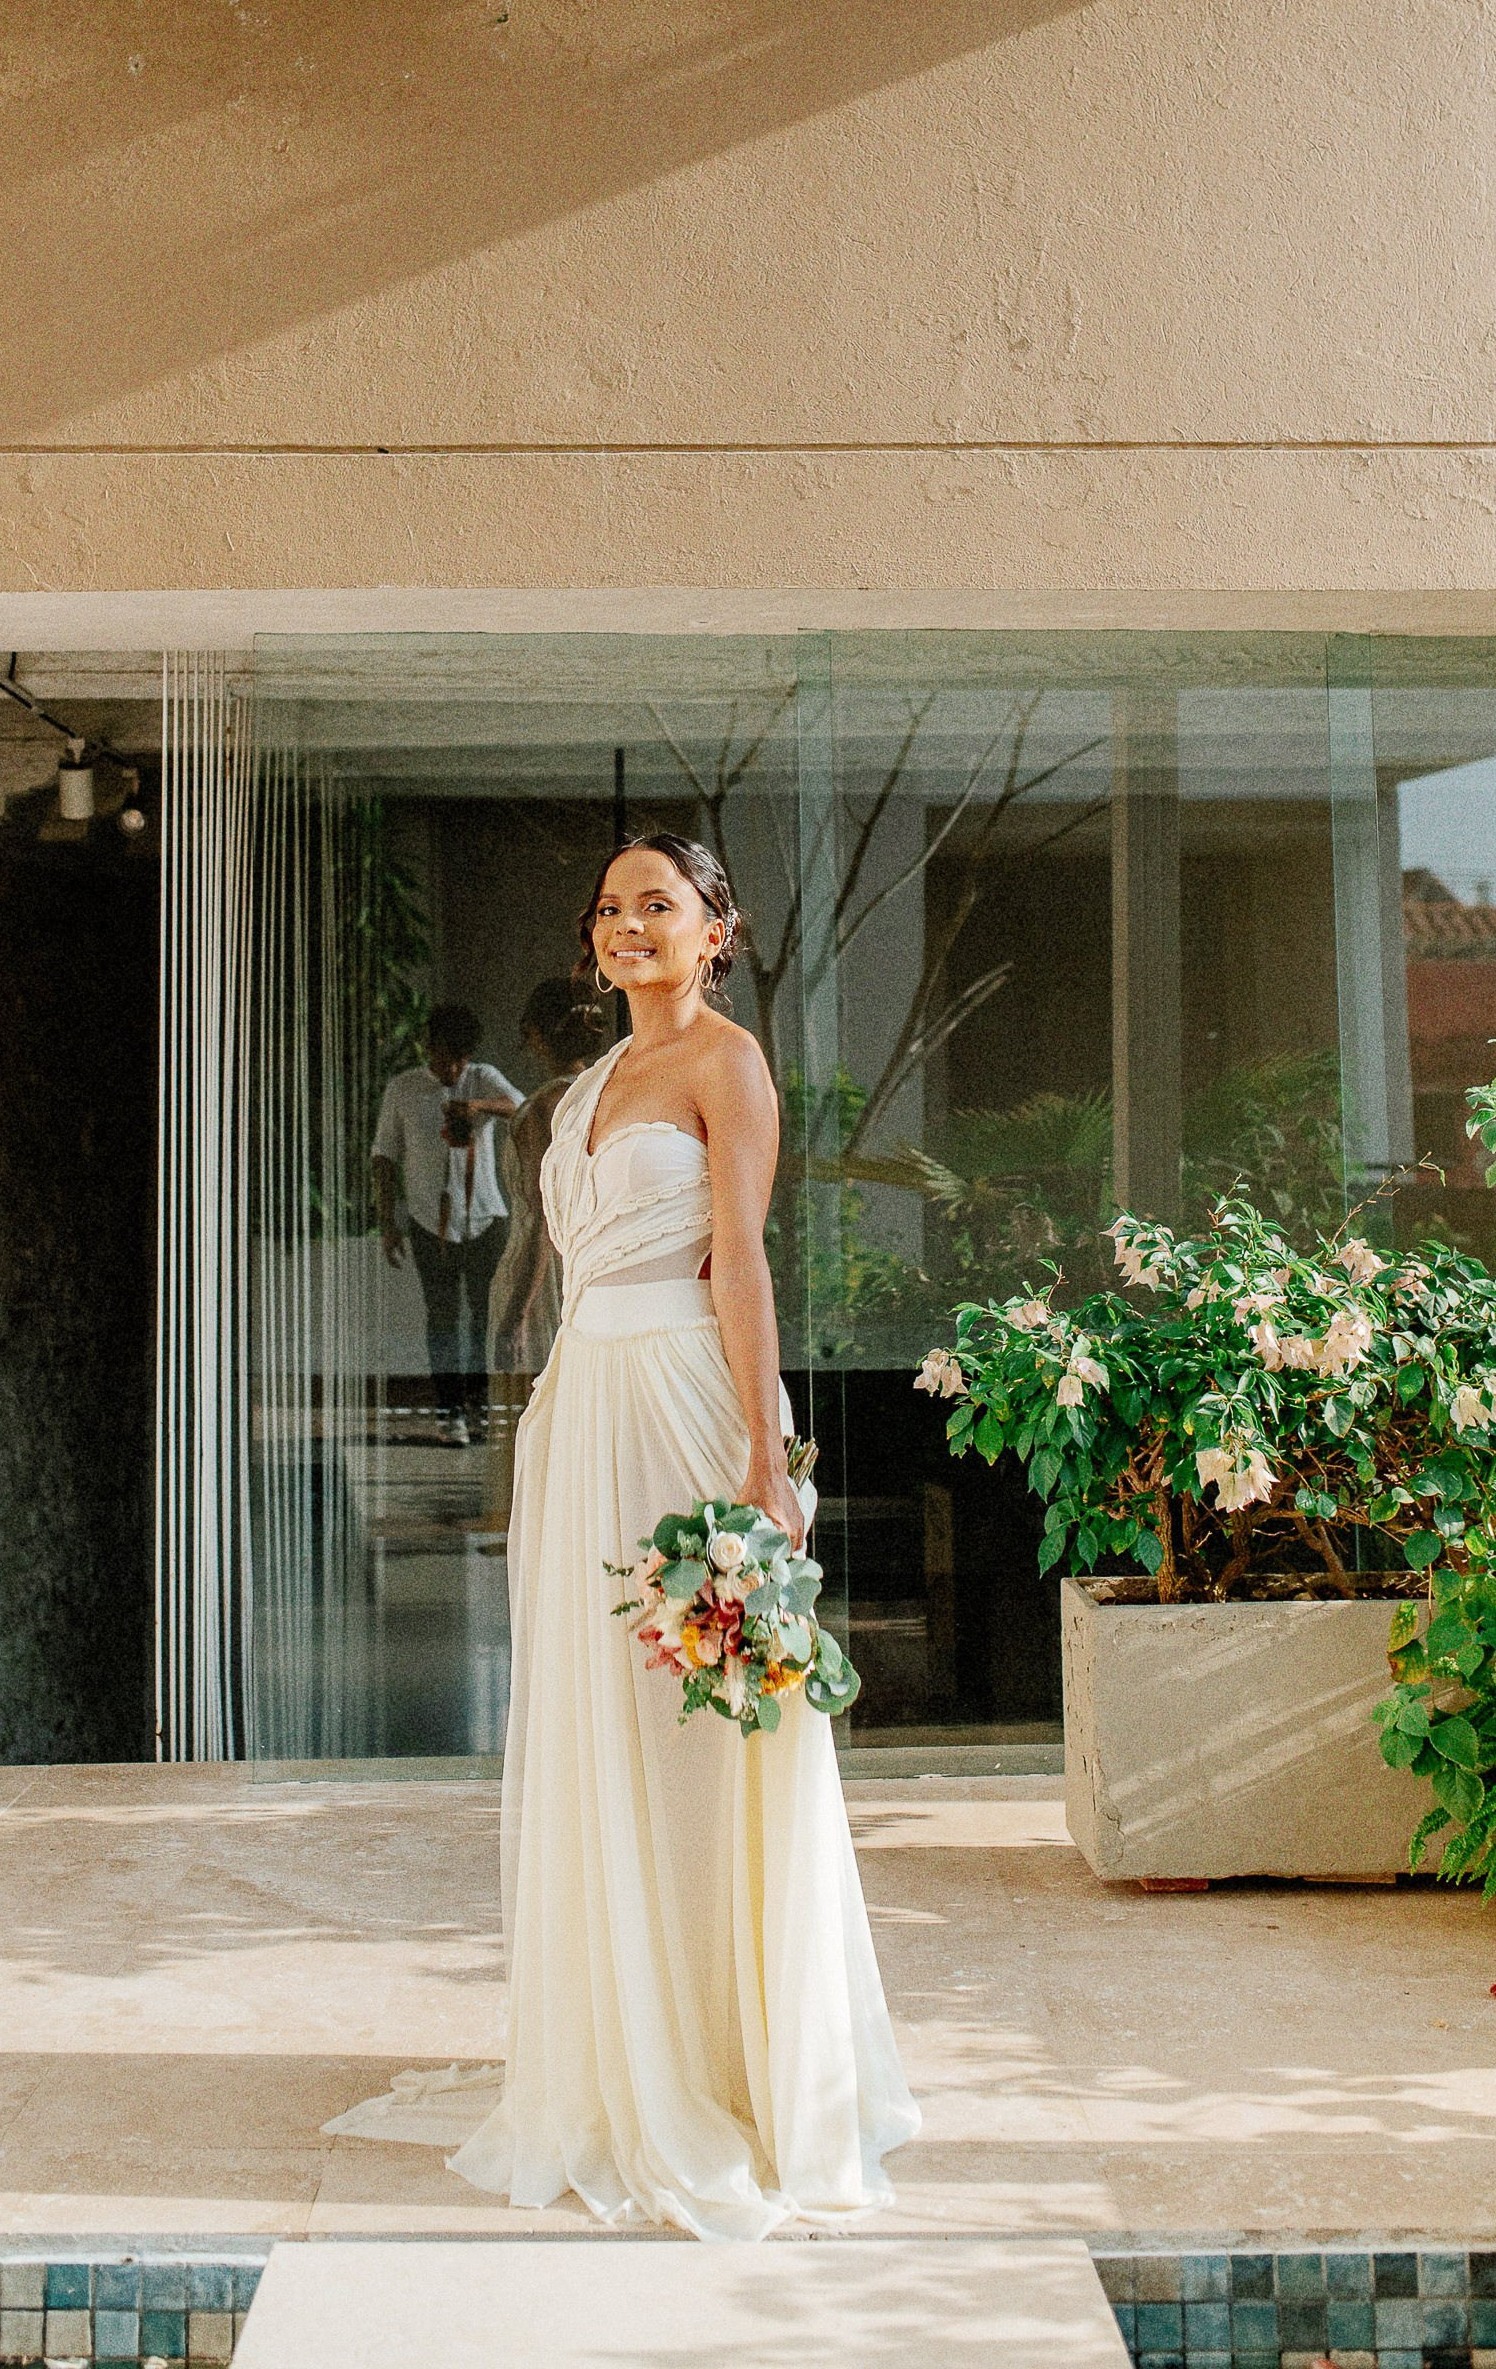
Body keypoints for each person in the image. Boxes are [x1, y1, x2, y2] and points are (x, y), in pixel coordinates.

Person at [452, 832, 919, 2235]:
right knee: (596, 1718)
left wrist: (762, 1461)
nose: (624, 926)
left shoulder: (727, 1065)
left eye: (653, 904)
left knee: (708, 1726)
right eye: (606, 908)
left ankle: (738, 2060)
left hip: (676, 1404)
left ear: (713, 929)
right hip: (577, 1406)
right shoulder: (583, 1085)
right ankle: (615, 2051)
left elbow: (740, 1260)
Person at [481, 977, 607, 1526]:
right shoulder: (608, 1092)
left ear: (537, 1034)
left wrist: (516, 1314)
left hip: (541, 1275)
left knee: (525, 1403)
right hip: (592, 1269)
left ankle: (523, 1520)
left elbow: (539, 1221)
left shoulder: (540, 1110)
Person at [371, 1002, 522, 1448]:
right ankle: (448, 1410)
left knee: (482, 1319)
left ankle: (476, 1406)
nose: (453, 1067)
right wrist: (388, 1221)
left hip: (484, 1219)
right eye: (444, 1057)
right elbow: (384, 1155)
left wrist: (476, 1106)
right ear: (427, 1048)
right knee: (441, 1320)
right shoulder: (403, 1089)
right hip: (426, 1221)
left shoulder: (483, 1078)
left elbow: (521, 1105)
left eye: (460, 1058)